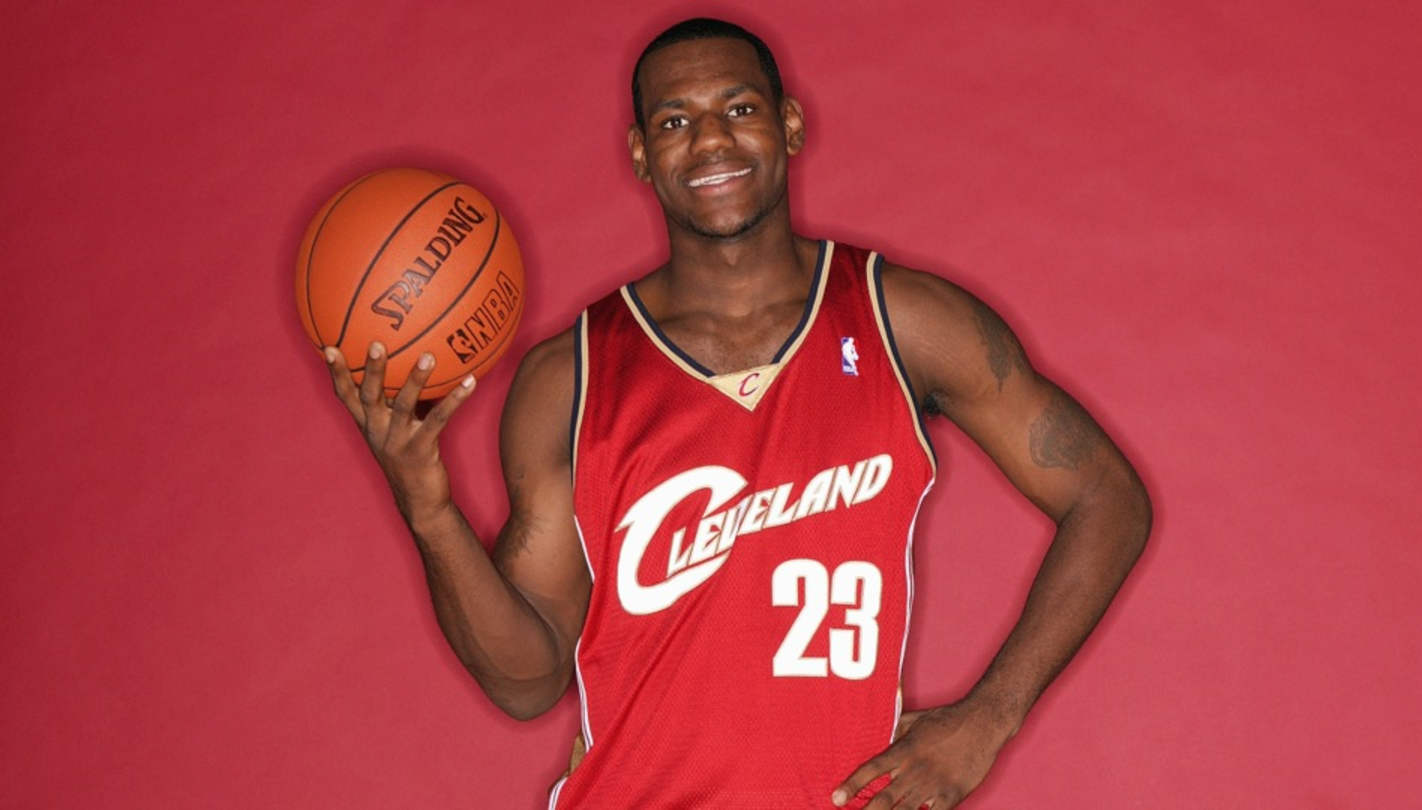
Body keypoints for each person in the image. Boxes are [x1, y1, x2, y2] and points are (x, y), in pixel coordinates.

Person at [321, 17, 1151, 809]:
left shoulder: (905, 321)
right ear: (641, 155)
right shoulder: (569, 377)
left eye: (740, 109)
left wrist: (991, 718)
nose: (710, 140)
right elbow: (527, 681)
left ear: (790, 125)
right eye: (675, 121)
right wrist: (430, 512)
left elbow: (1107, 497)